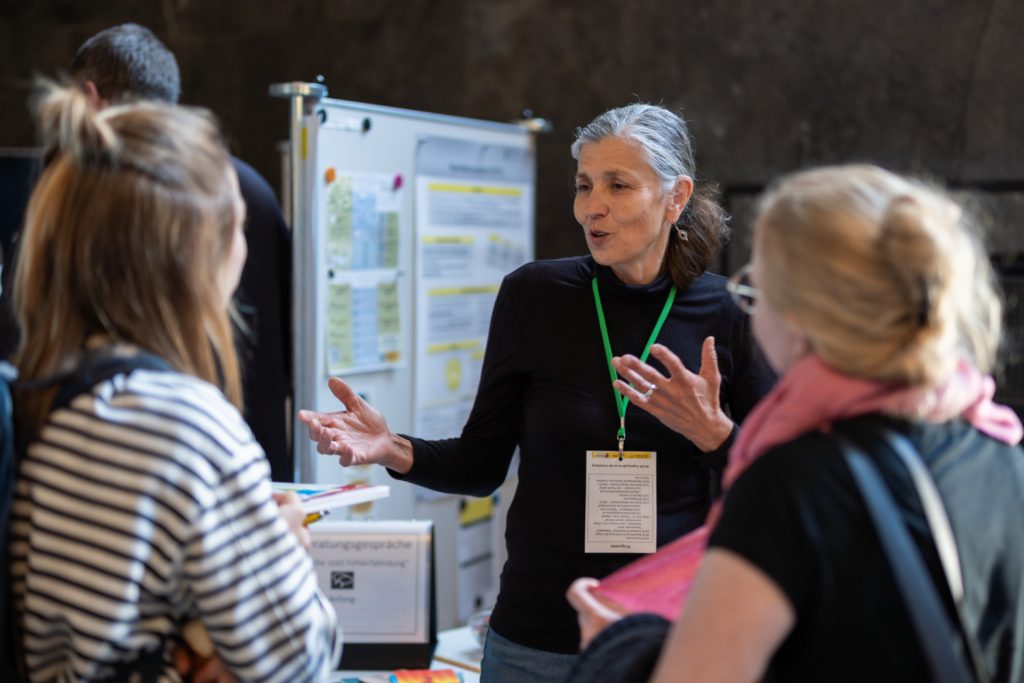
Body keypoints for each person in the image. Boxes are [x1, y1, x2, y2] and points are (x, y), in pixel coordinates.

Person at [299, 103, 776, 681]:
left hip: (666, 638)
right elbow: (481, 464)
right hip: (534, 639)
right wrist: (390, 447)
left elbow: (779, 490)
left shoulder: (729, 312)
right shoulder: (535, 295)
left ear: (675, 197)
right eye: (583, 185)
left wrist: (715, 435)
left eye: (617, 185)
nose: (590, 207)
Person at [567, 164, 1024, 682]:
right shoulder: (999, 448)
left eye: (757, 285)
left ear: (801, 315)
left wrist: (616, 643)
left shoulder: (792, 485)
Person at [9, 82, 338, 681]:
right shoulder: (182, 422)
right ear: (195, 251)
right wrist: (278, 545)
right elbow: (299, 660)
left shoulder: (43, 389)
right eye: (237, 226)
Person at [68, 23, 293, 481]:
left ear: (90, 99)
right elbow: (289, 343)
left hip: (144, 460)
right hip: (243, 458)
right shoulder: (249, 187)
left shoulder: (96, 198)